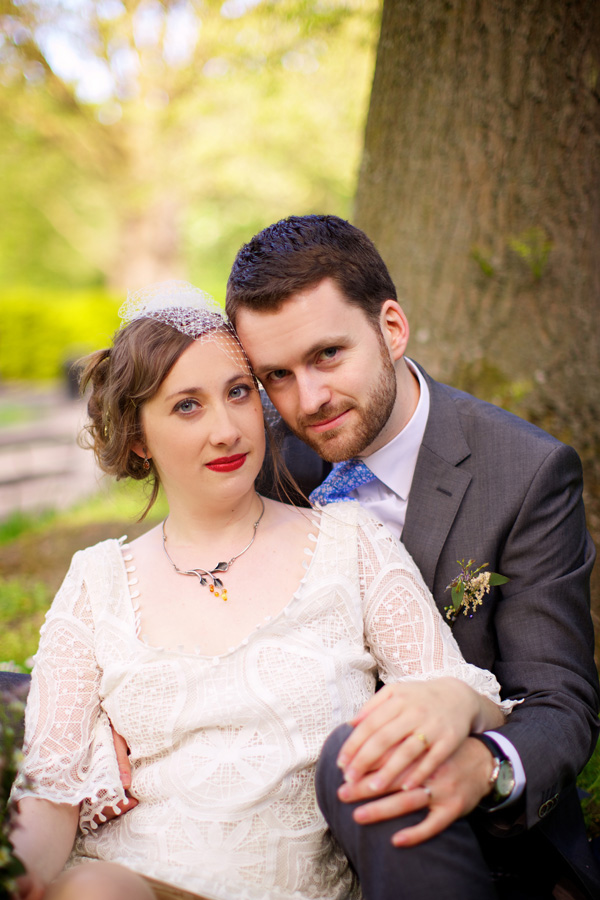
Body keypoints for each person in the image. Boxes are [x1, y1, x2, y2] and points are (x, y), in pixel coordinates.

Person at [9, 282, 513, 900]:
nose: (225, 430)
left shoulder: (349, 545)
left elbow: (462, 694)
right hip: (126, 883)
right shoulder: (96, 581)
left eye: (238, 393)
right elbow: (49, 792)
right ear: (138, 437)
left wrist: (457, 704)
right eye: (186, 406)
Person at [224, 215, 600, 900]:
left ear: (391, 329)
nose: (307, 400)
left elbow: (561, 699)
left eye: (328, 355)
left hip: (465, 840)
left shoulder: (524, 472)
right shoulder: (260, 460)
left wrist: (484, 766)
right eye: (276, 375)